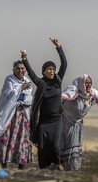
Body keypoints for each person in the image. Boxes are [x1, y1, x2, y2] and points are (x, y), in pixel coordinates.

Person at [21, 38, 67, 170]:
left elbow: (64, 64)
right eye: (49, 69)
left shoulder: (58, 80)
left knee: (54, 145)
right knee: (41, 146)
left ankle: (58, 164)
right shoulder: (41, 83)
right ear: (44, 72)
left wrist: (59, 47)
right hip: (44, 120)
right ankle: (44, 167)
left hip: (56, 119)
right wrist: (25, 59)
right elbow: (31, 74)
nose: (52, 71)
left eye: (53, 69)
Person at [0, 60, 33, 170]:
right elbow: (8, 95)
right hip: (10, 115)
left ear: (26, 70)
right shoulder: (10, 79)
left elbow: (29, 98)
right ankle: (2, 162)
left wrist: (24, 98)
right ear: (13, 70)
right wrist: (21, 89)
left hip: (22, 114)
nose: (20, 71)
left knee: (22, 138)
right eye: (18, 68)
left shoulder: (28, 81)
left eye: (22, 68)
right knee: (6, 136)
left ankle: (21, 163)